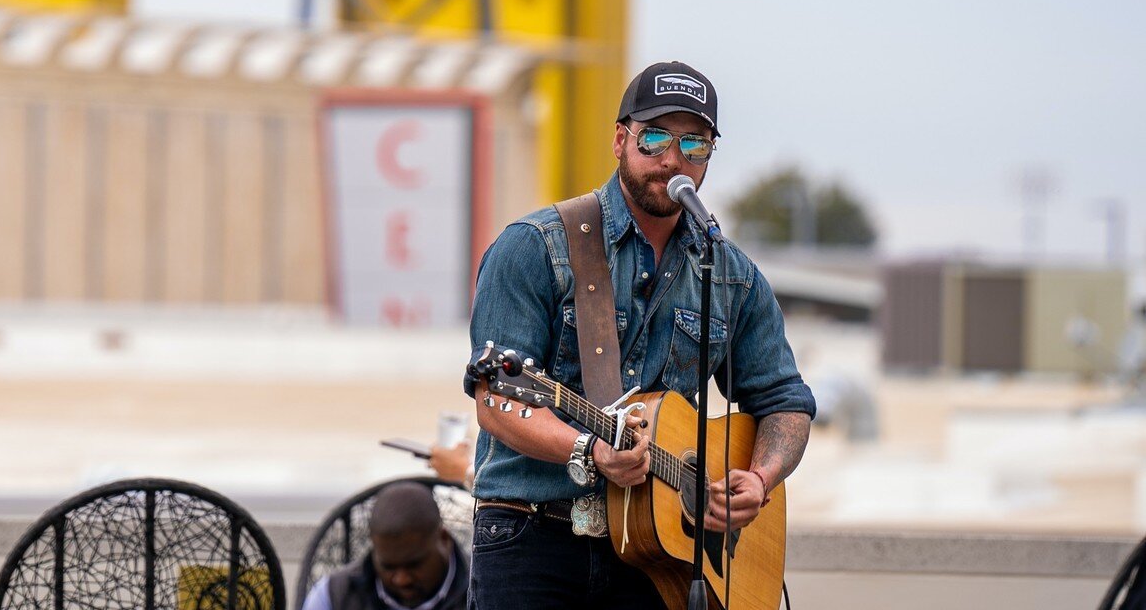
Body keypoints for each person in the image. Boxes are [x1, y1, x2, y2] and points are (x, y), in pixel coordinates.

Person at [463, 60, 816, 609]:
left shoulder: (729, 273)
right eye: (655, 138)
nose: (673, 160)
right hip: (533, 536)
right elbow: (497, 401)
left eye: (694, 144)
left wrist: (760, 478)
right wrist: (587, 448)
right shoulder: (535, 247)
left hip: (659, 557)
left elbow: (786, 401)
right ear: (620, 140)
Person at [301, 480, 469, 610]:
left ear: (444, 539)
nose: (402, 580)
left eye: (414, 565)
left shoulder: (486, 587)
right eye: (388, 567)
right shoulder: (334, 594)